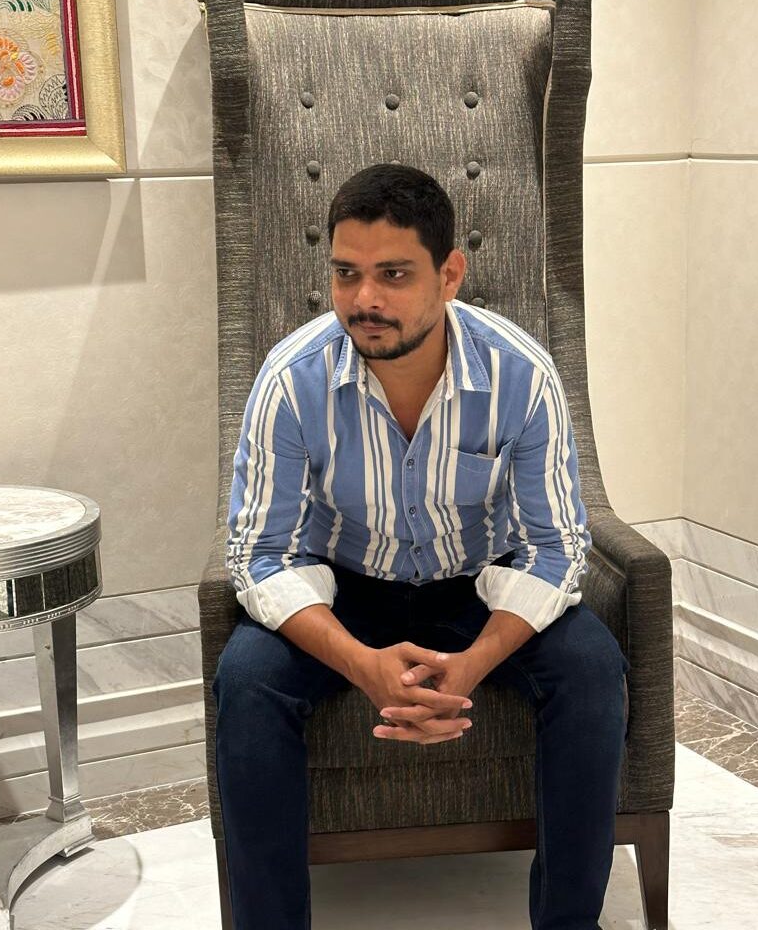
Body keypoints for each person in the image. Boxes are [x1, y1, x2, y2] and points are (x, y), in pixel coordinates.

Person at [213, 162, 630, 930]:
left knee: (593, 669)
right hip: (344, 586)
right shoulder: (291, 380)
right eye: (346, 273)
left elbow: (556, 547)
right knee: (247, 680)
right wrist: (363, 665)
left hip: (476, 586)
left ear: (450, 275)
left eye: (394, 274)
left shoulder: (520, 374)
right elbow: (259, 554)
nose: (364, 299)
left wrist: (472, 665)